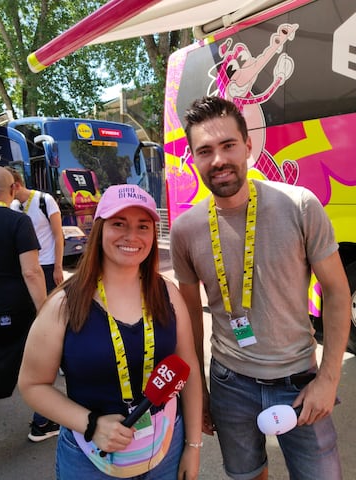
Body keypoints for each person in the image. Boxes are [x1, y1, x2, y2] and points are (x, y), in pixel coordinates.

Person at [170, 96, 351, 480]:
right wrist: (198, 391)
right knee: (247, 476)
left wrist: (328, 378)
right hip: (229, 385)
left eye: (228, 145)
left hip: (300, 381)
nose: (218, 159)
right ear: (193, 157)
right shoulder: (186, 229)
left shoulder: (299, 205)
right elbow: (189, 319)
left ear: (248, 145)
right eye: (205, 150)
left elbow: (337, 291)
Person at [18, 184, 203, 480]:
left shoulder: (167, 293)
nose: (132, 236)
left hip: (166, 448)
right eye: (119, 224)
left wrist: (193, 445)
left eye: (143, 226)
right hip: (89, 457)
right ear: (100, 229)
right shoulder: (64, 304)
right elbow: (32, 385)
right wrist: (91, 423)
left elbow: (187, 367)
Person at [6, 166, 64, 442]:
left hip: (47, 267)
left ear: (16, 183)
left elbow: (58, 234)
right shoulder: (14, 208)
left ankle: (57, 359)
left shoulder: (44, 199)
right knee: (39, 324)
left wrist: (59, 267)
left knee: (51, 321)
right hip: (28, 271)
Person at [0, 166, 46, 400]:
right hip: (13, 309)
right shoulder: (18, 221)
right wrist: (44, 310)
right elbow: (32, 272)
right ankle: (42, 421)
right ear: (12, 189)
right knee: (35, 364)